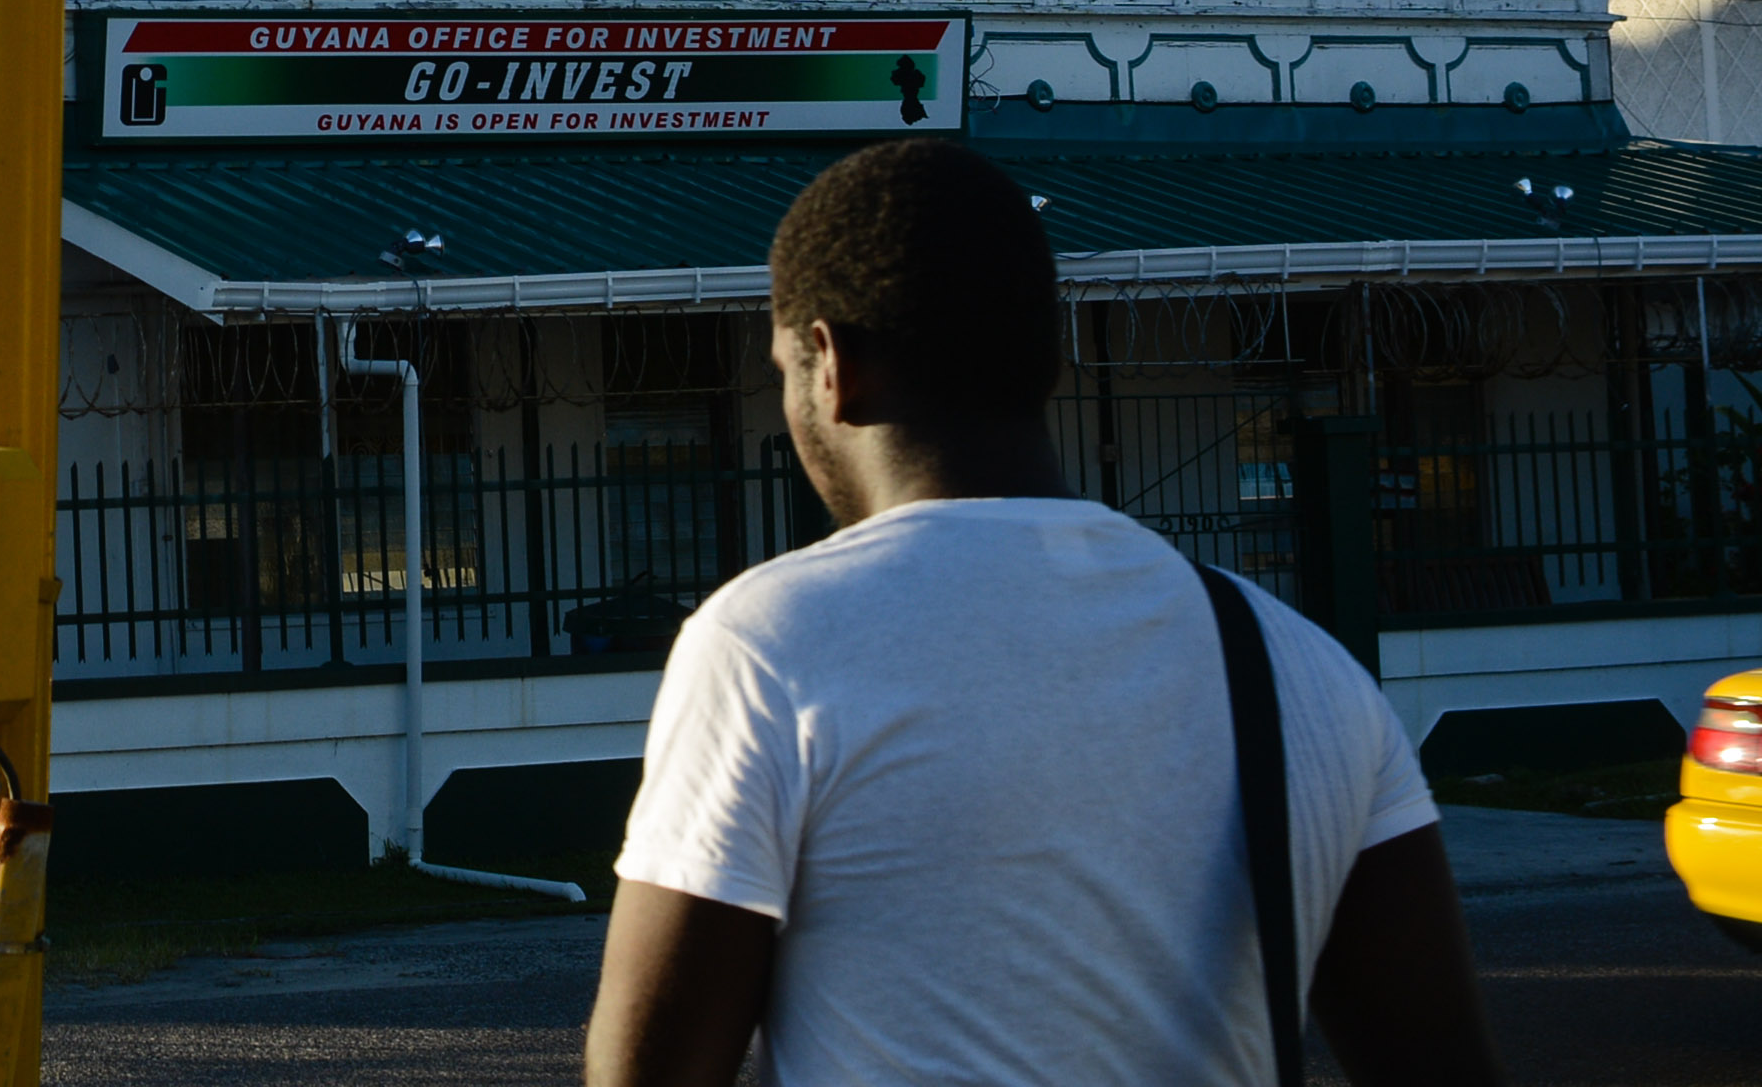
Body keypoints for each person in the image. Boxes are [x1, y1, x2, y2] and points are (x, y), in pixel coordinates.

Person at [585, 140, 1501, 1087]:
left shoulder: (771, 644)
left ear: (828, 364)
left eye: (782, 364)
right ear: (1046, 359)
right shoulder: (1301, 668)